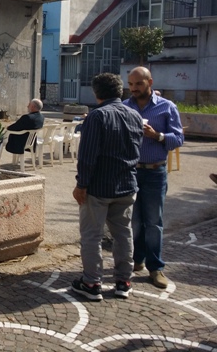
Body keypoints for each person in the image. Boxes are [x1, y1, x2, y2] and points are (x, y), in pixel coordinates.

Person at [71, 73, 143, 301]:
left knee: (92, 235)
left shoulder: (97, 116)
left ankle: (92, 282)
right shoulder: (134, 115)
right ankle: (123, 280)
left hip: (99, 188)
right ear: (120, 91)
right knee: (123, 234)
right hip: (126, 185)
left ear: (96, 93)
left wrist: (81, 184)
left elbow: (87, 156)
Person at [124, 66, 184, 289]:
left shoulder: (167, 107)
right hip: (131, 171)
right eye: (131, 84)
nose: (134, 89)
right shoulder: (125, 107)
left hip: (155, 171)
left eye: (138, 84)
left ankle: (155, 267)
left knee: (153, 222)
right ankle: (137, 259)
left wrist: (157, 135)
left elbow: (178, 139)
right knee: (135, 221)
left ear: (150, 82)